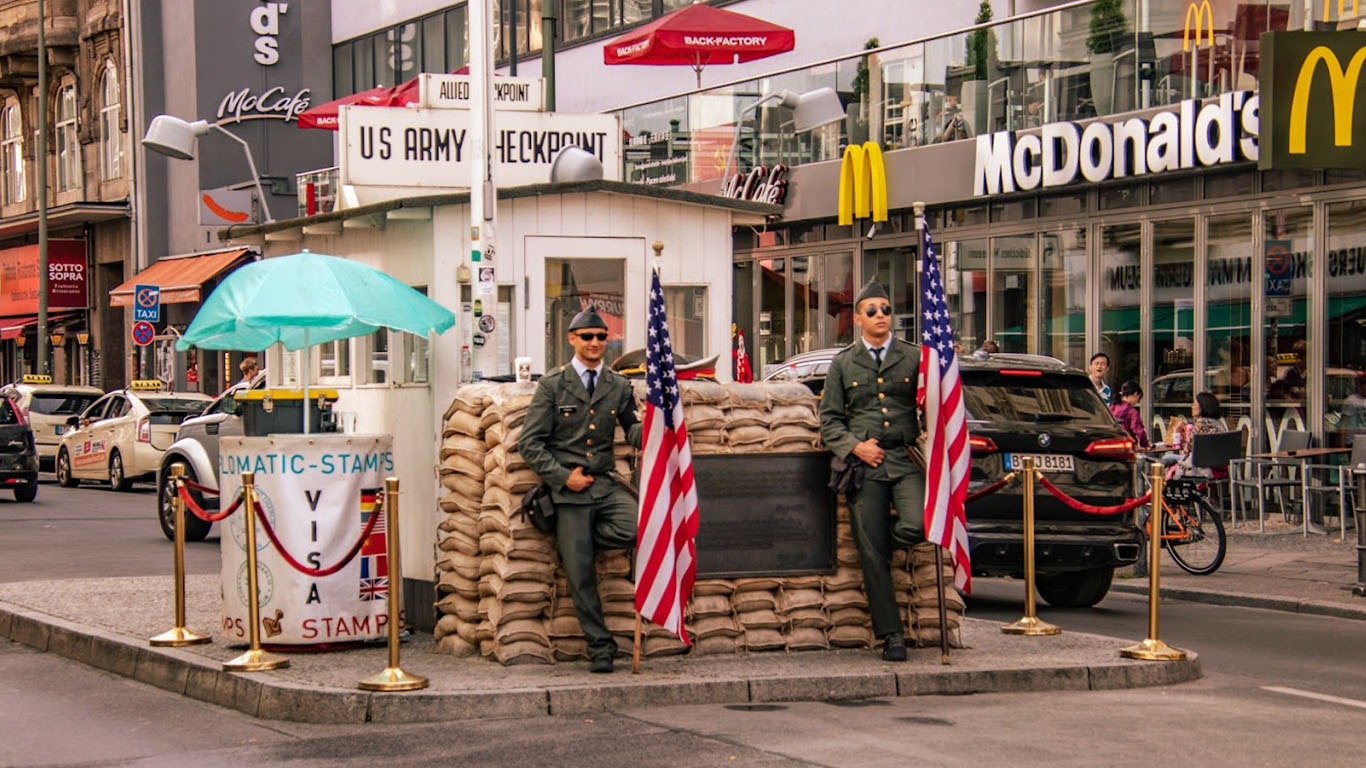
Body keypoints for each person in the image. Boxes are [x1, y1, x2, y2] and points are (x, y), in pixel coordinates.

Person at [518, 308, 642, 674]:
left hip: (603, 485)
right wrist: (562, 477)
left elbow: (632, 430)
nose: (595, 343)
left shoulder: (618, 385)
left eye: (601, 337)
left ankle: (578, 544)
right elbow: (530, 443)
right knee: (581, 575)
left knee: (636, 526)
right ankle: (600, 647)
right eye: (587, 336)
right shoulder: (553, 385)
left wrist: (657, 422)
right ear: (571, 339)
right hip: (568, 492)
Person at [819, 278, 924, 662]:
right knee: (872, 555)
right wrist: (854, 447)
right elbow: (830, 418)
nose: (881, 315)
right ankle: (891, 634)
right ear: (859, 319)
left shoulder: (914, 357)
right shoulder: (844, 363)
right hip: (865, 465)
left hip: (905, 458)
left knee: (919, 524)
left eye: (886, 309)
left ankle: (882, 543)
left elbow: (933, 403)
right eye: (872, 310)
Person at [1173, 391, 1230, 477]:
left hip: (1202, 468)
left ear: (1202, 407)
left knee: (1167, 458)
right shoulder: (1219, 424)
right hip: (1220, 469)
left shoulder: (1200, 425)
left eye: (1195, 404)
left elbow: (1188, 451)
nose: (1192, 407)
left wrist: (1179, 434)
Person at [1110, 380, 1149, 448]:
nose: (1137, 402)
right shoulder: (1132, 412)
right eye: (1138, 399)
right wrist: (1145, 444)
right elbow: (1138, 430)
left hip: (1112, 444)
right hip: (1127, 446)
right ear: (1135, 394)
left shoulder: (1112, 407)